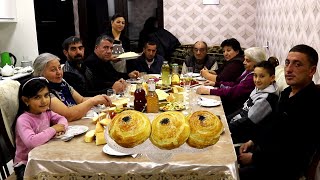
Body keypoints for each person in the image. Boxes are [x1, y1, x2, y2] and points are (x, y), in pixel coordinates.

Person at [238, 44, 320, 180]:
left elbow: (293, 153)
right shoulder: (287, 92)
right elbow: (272, 125)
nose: (288, 69)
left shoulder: (311, 104)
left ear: (311, 71)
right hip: (263, 153)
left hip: (280, 169)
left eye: (297, 64)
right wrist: (252, 141)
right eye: (287, 63)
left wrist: (255, 158)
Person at [13, 77, 68, 179]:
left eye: (46, 95)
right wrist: (53, 129)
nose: (44, 101)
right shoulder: (23, 120)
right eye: (37, 97)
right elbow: (32, 142)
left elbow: (62, 119)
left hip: (43, 156)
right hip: (26, 163)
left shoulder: (46, 112)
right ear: (26, 100)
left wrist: (60, 128)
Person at [33, 53, 112, 122]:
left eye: (59, 68)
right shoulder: (43, 92)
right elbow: (68, 115)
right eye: (53, 70)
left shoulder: (62, 82)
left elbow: (81, 100)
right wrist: (93, 101)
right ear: (41, 74)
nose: (59, 72)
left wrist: (100, 98)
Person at [196, 47, 266, 116]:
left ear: (257, 63)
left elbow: (233, 92)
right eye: (224, 51)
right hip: (233, 102)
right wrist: (216, 84)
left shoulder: (253, 77)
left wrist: (209, 91)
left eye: (247, 61)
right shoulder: (248, 71)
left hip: (236, 106)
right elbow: (235, 84)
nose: (244, 62)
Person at [227, 61, 279, 144]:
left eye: (262, 76)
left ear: (272, 78)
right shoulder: (260, 88)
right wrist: (226, 119)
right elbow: (244, 108)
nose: (257, 80)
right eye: (255, 76)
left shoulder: (266, 99)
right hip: (237, 124)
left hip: (245, 136)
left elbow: (248, 122)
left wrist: (226, 128)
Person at [62, 36, 127, 95]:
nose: (78, 52)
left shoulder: (82, 64)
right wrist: (111, 90)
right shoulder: (68, 73)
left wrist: (115, 84)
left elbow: (95, 83)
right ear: (66, 52)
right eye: (73, 49)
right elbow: (83, 95)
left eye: (80, 48)